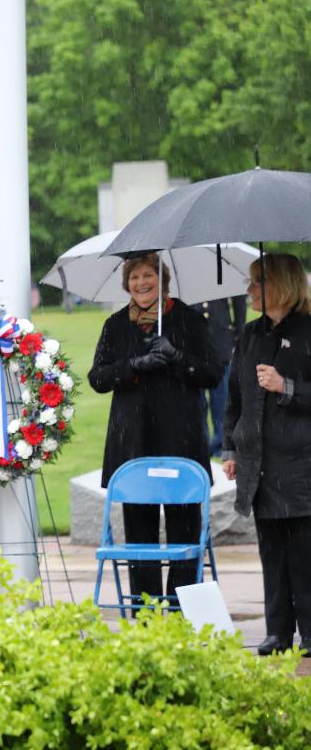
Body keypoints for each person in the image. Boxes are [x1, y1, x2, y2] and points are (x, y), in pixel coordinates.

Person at [88, 253, 221, 609]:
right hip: (133, 442)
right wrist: (133, 365)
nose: (141, 283)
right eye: (134, 278)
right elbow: (97, 378)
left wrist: (177, 357)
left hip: (181, 440)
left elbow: (212, 374)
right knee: (140, 534)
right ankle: (145, 611)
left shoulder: (190, 321)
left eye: (148, 276)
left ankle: (181, 609)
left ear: (163, 280)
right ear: (126, 283)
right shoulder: (116, 325)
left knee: (184, 529)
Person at [222, 253, 311, 656]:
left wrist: (286, 386)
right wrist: (231, 447)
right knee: (271, 551)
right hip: (259, 462)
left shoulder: (308, 331)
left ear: (281, 285)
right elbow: (235, 397)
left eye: (257, 282)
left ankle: (310, 633)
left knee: (303, 553)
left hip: (300, 462)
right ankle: (277, 631)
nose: (249, 290)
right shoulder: (251, 334)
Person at [191, 296, 247, 456]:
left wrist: (239, 332)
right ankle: (201, 443)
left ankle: (222, 444)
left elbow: (239, 300)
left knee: (221, 399)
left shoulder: (222, 270)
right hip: (193, 341)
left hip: (220, 339)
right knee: (197, 401)